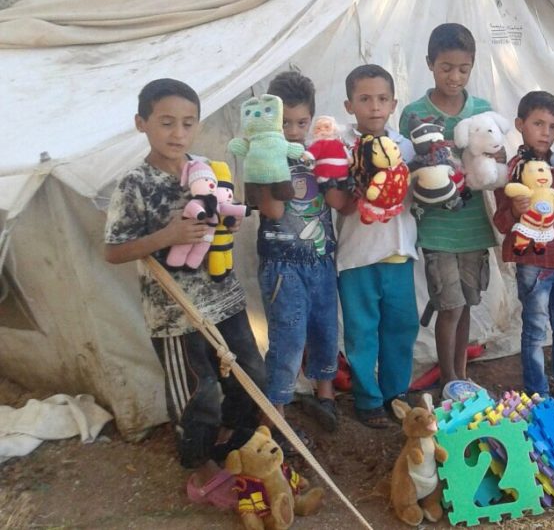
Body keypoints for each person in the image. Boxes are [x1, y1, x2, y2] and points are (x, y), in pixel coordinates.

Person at [103, 78, 266, 508]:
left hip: (224, 298)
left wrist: (229, 222)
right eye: (166, 122)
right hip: (174, 312)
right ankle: (199, 467)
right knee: (198, 394)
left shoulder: (206, 171)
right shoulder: (134, 184)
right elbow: (114, 251)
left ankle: (234, 446)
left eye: (187, 123)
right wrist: (169, 234)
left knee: (251, 375)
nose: (178, 133)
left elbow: (221, 215)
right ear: (142, 123)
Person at [399, 23, 499, 399]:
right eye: (445, 68)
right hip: (437, 226)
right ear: (429, 64)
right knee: (450, 306)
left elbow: (494, 158)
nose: (454, 77)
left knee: (468, 302)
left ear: (472, 66)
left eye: (463, 69)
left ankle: (461, 375)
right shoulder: (413, 114)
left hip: (474, 225)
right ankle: (448, 381)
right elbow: (405, 167)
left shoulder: (482, 112)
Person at [326, 64, 420, 429]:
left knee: (401, 327)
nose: (375, 107)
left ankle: (396, 393)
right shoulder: (341, 148)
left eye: (382, 99)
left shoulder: (405, 147)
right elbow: (339, 200)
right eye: (365, 99)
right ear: (349, 105)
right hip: (356, 256)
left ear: (394, 103)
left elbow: (421, 191)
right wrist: (361, 183)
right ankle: (367, 399)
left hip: (399, 253)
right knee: (361, 330)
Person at [254, 72, 339, 436]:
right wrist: (273, 160)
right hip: (283, 264)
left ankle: (325, 394)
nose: (293, 130)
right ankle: (276, 415)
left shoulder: (319, 152)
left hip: (321, 257)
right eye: (284, 123)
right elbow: (272, 211)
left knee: (326, 329)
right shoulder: (262, 158)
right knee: (288, 338)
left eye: (301, 122)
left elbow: (336, 198)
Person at [493, 91, 554, 400]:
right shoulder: (513, 171)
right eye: (538, 123)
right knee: (534, 330)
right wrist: (516, 210)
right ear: (520, 124)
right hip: (534, 265)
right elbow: (502, 222)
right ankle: (537, 391)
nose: (547, 132)